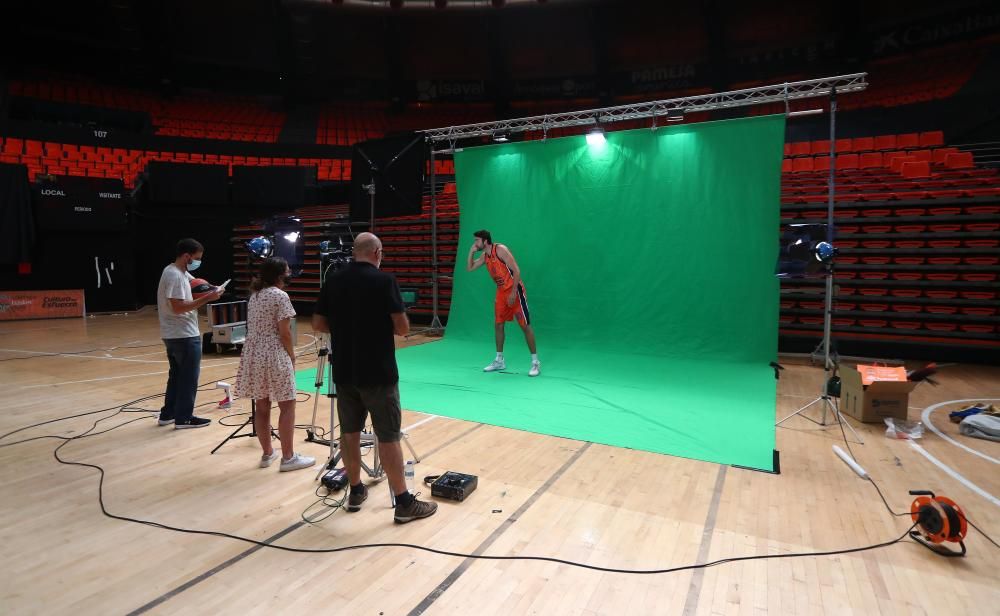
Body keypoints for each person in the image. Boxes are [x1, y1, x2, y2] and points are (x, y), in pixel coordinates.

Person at [312, 232, 437, 524]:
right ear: (378, 252)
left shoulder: (334, 279)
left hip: (344, 371)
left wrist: (346, 327)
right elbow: (403, 328)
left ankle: (355, 491)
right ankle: (404, 503)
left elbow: (318, 322)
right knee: (389, 436)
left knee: (349, 433)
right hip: (378, 372)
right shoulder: (385, 281)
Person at [234, 257, 315, 472]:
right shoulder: (280, 296)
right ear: (281, 274)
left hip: (254, 352)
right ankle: (288, 457)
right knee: (287, 404)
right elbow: (285, 332)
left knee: (262, 406)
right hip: (274, 352)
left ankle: (268, 453)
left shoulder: (255, 295)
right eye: (287, 271)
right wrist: (292, 355)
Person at [157, 238, 222, 429]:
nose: (198, 262)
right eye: (196, 258)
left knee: (177, 376)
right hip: (183, 334)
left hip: (175, 334)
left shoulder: (179, 273)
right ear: (187, 256)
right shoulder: (175, 275)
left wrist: (212, 289)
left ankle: (168, 414)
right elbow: (178, 307)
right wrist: (208, 298)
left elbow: (197, 285)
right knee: (188, 378)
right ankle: (184, 418)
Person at [467, 229, 540, 377]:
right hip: (501, 292)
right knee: (498, 324)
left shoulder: (500, 250)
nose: (475, 243)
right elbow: (470, 268)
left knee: (525, 326)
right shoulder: (485, 256)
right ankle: (499, 360)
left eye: (476, 240)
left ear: (485, 241)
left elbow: (517, 271)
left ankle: (535, 362)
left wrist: (513, 292)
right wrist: (471, 252)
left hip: (514, 289)